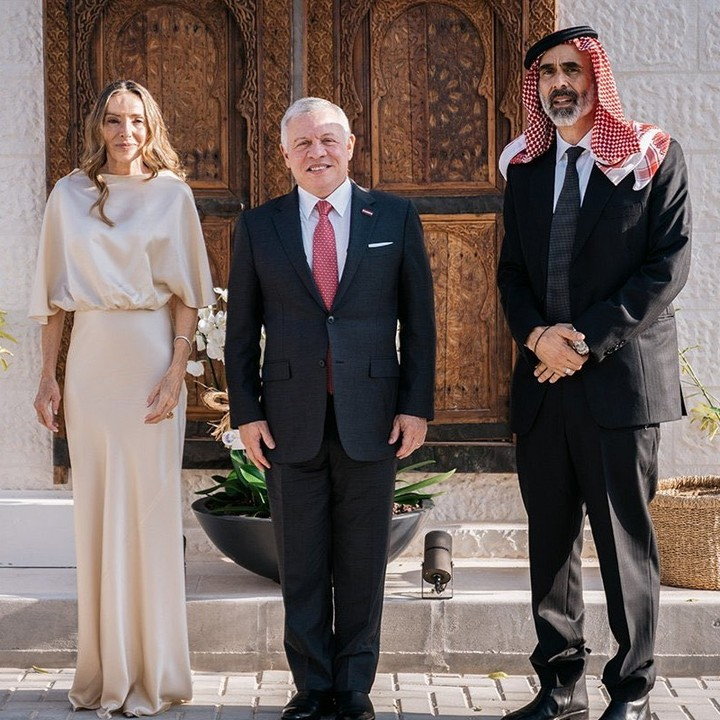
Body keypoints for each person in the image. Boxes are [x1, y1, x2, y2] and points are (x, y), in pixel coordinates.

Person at [496, 26, 691, 720]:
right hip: (544, 387)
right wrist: (537, 337)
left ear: (595, 77)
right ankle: (558, 685)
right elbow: (512, 274)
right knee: (550, 547)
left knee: (624, 547)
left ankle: (632, 689)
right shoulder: (524, 167)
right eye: (546, 72)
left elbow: (666, 267)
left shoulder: (651, 157)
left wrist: (583, 341)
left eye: (571, 68)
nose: (558, 82)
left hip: (619, 383)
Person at [225, 97, 436, 720]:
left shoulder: (394, 216)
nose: (317, 153)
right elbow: (241, 332)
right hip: (288, 422)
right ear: (285, 155)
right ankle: (313, 687)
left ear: (350, 144)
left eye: (328, 140)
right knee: (303, 564)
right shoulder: (259, 227)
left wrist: (415, 406)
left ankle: (355, 690)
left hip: (373, 419)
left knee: (363, 565)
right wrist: (247, 412)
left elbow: (419, 324)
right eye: (303, 144)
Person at [30, 80, 215, 717]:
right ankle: (103, 672)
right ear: (98, 126)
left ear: (152, 126)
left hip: (149, 358)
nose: (125, 131)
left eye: (136, 120)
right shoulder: (68, 194)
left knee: (150, 515)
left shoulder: (174, 196)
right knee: (96, 514)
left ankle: (154, 675)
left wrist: (176, 372)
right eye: (113, 120)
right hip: (90, 367)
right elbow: (53, 298)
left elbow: (189, 293)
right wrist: (48, 377)